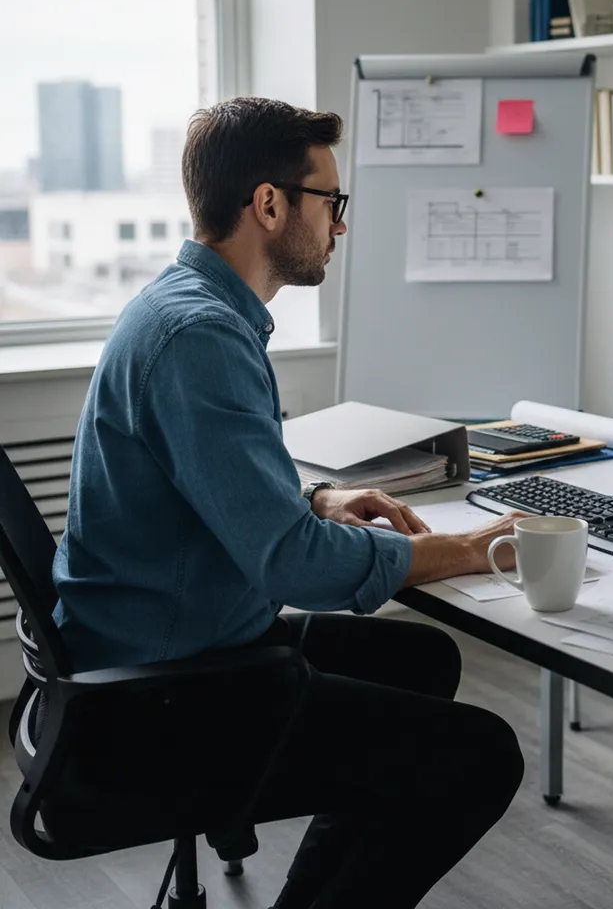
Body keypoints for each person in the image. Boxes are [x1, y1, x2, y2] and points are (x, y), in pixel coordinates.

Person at [47, 96, 526, 908]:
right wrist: (469, 549)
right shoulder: (200, 337)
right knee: (480, 756)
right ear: (268, 204)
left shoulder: (185, 309)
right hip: (158, 696)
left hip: (163, 643)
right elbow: (294, 567)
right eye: (330, 201)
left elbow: (213, 489)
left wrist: (319, 498)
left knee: (422, 661)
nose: (340, 225)